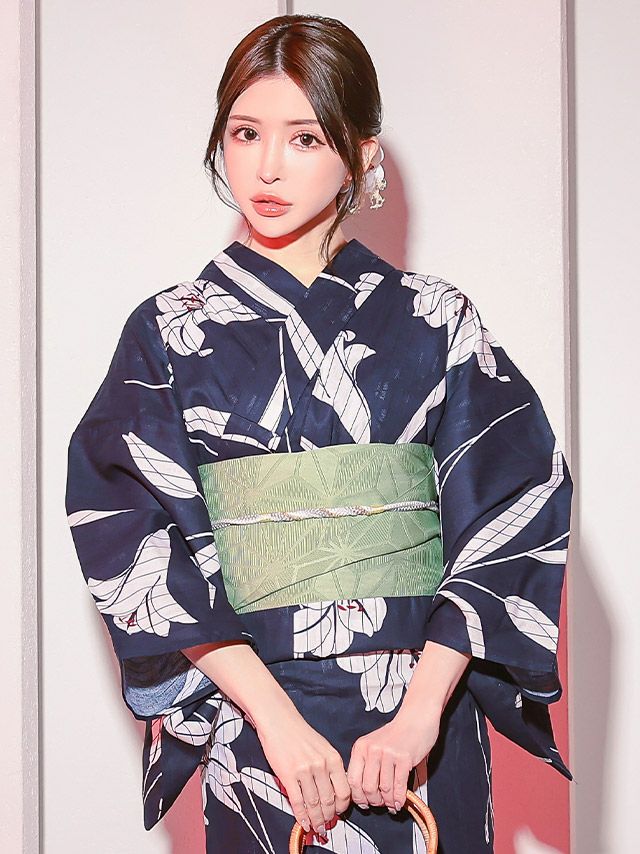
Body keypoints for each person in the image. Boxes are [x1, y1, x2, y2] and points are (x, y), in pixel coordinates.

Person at [64, 13, 573, 853]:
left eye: (304, 138)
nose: (266, 166)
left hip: (422, 722)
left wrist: (418, 716)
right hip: (257, 723)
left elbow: (514, 508)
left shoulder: (436, 319)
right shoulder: (168, 332)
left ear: (362, 155)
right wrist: (274, 721)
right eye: (245, 133)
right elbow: (127, 530)